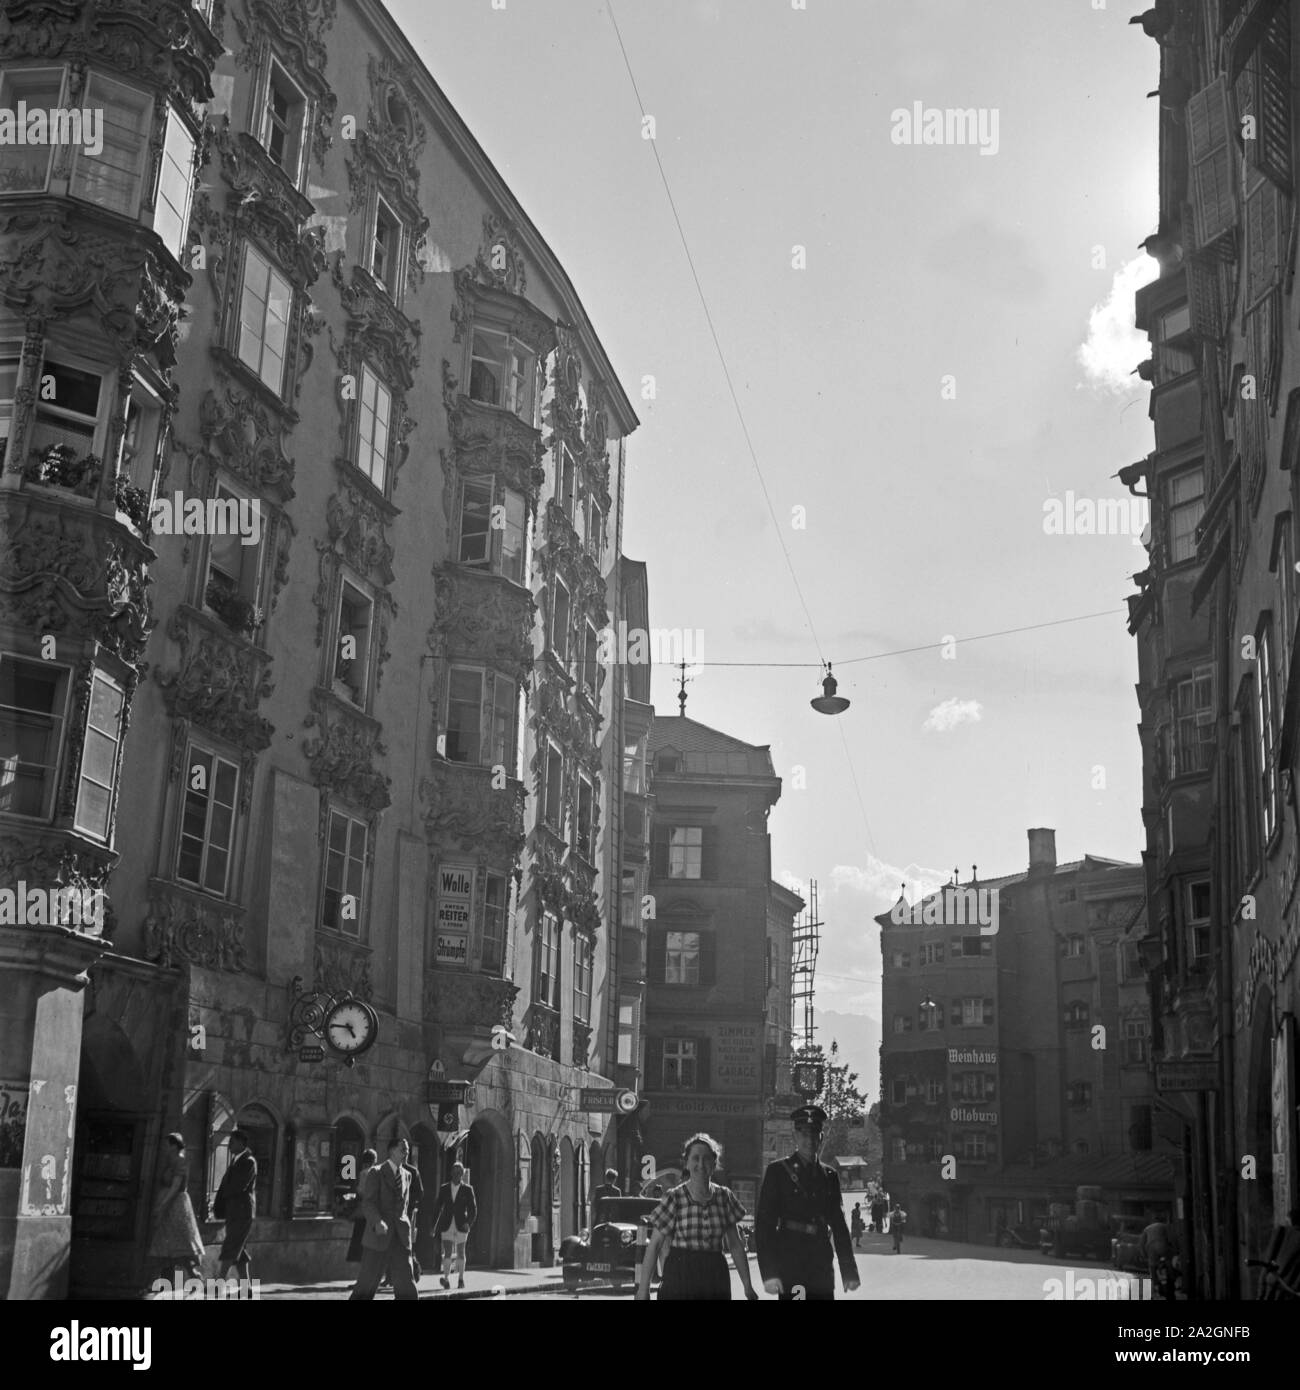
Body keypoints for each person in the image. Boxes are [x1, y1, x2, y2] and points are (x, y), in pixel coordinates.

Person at [635, 1133, 757, 1301]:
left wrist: (747, 1286)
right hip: (680, 1273)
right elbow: (655, 1245)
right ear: (687, 1163)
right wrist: (643, 1290)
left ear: (714, 1163)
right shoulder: (675, 1197)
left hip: (714, 1275)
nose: (701, 1164)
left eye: (707, 1159)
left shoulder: (724, 1196)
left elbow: (735, 1244)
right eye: (695, 1158)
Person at [755, 1105, 859, 1300]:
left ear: (821, 1138)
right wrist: (769, 1273)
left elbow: (839, 1224)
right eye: (803, 1134)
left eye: (814, 1134)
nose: (809, 1140)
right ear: (795, 1137)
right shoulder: (778, 1172)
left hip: (820, 1261)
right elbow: (764, 1225)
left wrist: (849, 1270)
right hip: (791, 1259)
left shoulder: (829, 1175)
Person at [349, 1138, 418, 1300]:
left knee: (406, 1284)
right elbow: (368, 1203)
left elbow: (404, 1208)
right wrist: (377, 1221)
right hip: (378, 1236)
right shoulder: (377, 1172)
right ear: (391, 1151)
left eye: (407, 1150)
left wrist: (410, 1228)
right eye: (403, 1150)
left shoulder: (407, 1175)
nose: (406, 1153)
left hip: (400, 1237)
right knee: (367, 1283)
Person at [147, 1132, 206, 1284]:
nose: (165, 1147)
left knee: (178, 1241)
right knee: (167, 1241)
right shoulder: (171, 1159)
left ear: (174, 1145)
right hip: (168, 1202)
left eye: (168, 1144)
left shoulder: (180, 1160)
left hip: (176, 1204)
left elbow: (176, 1185)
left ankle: (193, 1277)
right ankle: (168, 1279)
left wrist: (162, 1204)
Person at [213, 1129, 257, 1284]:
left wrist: (223, 1196)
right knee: (239, 1250)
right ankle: (247, 1287)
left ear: (240, 1143)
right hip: (234, 1211)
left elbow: (238, 1186)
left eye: (232, 1142)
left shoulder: (248, 1161)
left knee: (231, 1246)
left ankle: (219, 1284)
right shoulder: (237, 1160)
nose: (229, 1145)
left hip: (242, 1211)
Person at [430, 1160, 477, 1290]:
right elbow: (437, 1208)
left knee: (461, 1252)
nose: (456, 1175)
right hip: (447, 1224)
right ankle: (446, 1279)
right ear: (451, 1173)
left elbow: (473, 1209)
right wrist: (433, 1226)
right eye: (454, 1172)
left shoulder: (468, 1189)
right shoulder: (444, 1188)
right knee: (447, 1253)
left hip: (462, 1224)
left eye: (459, 1172)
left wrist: (469, 1224)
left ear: (462, 1174)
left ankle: (461, 1279)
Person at [345, 1149, 378, 1265]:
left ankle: (362, 1275)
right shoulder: (379, 1172)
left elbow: (359, 1191)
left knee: (360, 1244)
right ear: (374, 1160)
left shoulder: (364, 1173)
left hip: (363, 1212)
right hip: (374, 1214)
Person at [1138, 1217, 1173, 1300]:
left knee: (1152, 1267)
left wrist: (1144, 1255)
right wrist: (1174, 1250)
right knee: (1168, 1263)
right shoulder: (1165, 1226)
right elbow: (1171, 1238)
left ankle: (1155, 1285)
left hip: (1151, 1248)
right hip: (1163, 1245)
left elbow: (1141, 1244)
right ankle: (1171, 1280)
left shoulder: (1147, 1228)